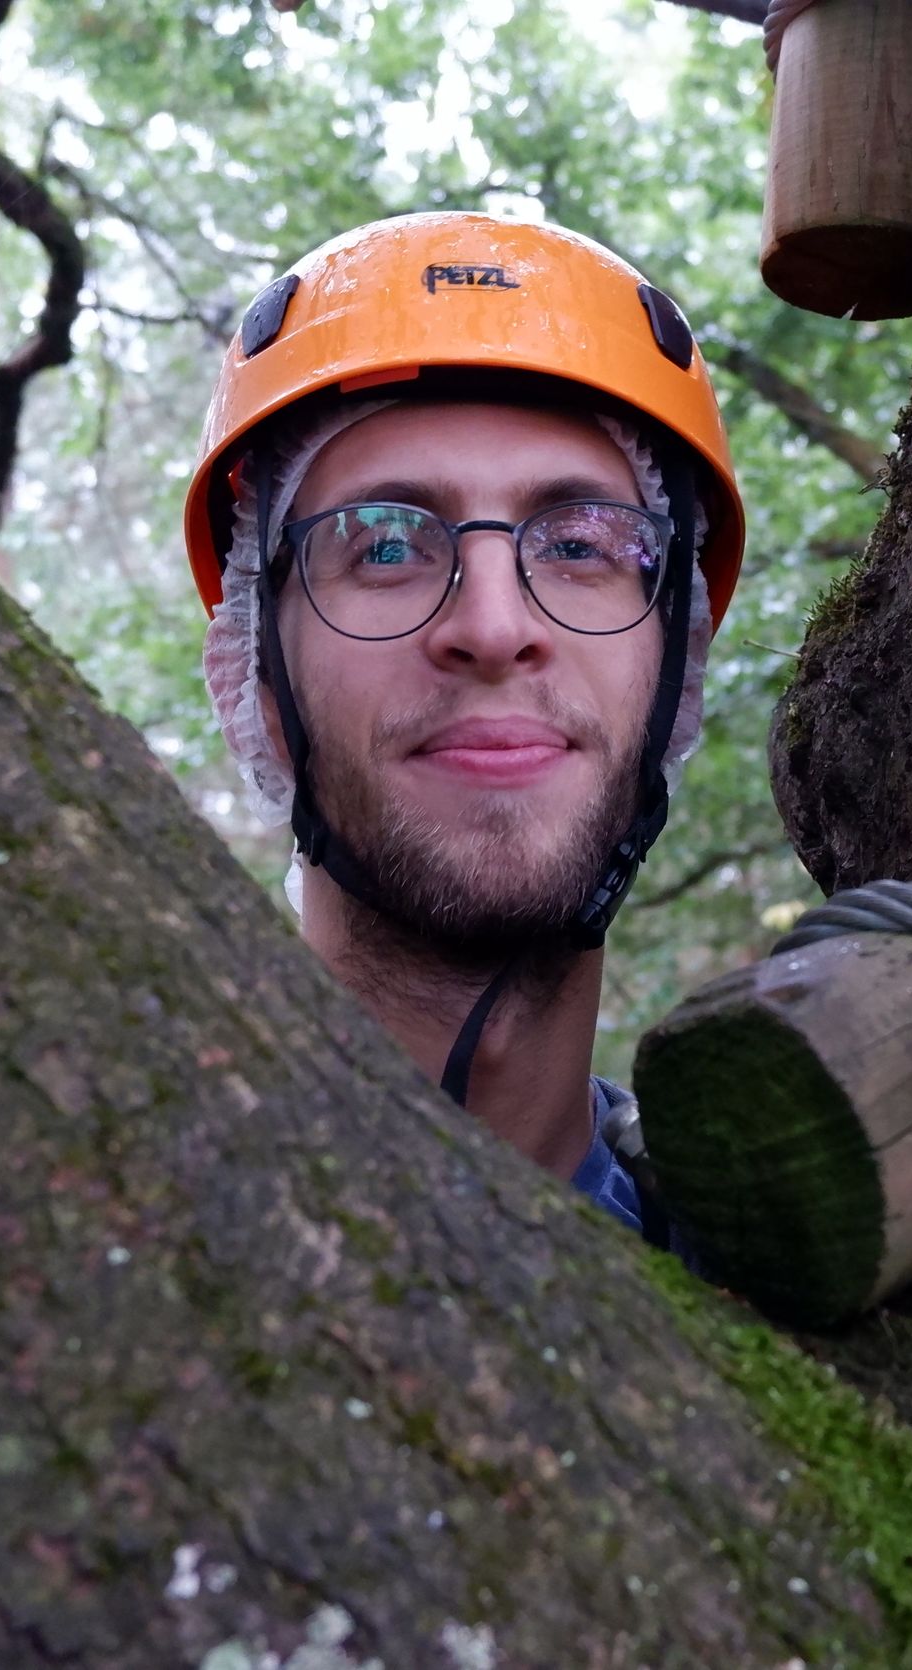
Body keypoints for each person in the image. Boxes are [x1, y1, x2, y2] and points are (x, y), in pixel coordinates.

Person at [181, 212, 746, 1245]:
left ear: (678, 670)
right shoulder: (91, 1202)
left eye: (582, 543)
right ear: (256, 678)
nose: (493, 627)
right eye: (385, 544)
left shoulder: (796, 1296)